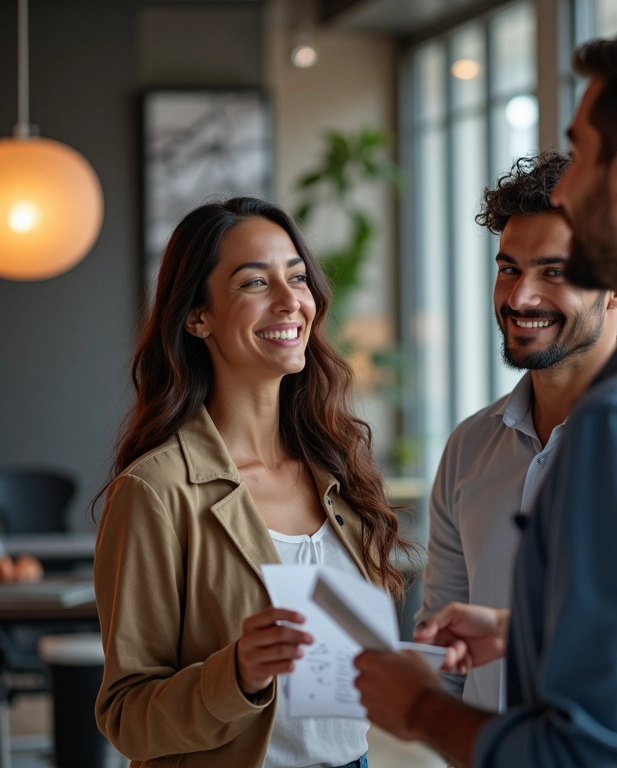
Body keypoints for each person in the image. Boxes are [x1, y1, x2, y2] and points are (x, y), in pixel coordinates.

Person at [354, 20, 617, 768]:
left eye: (580, 152)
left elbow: (591, 757)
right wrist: (530, 632)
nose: (567, 187)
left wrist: (417, 710)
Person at [93, 196, 414, 768]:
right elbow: (126, 717)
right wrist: (237, 673)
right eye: (254, 283)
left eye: (297, 277)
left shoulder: (339, 471)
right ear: (198, 317)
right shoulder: (156, 492)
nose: (290, 301)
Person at [417, 148, 617, 713]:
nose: (519, 297)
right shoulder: (469, 448)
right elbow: (443, 654)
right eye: (509, 269)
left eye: (554, 272)